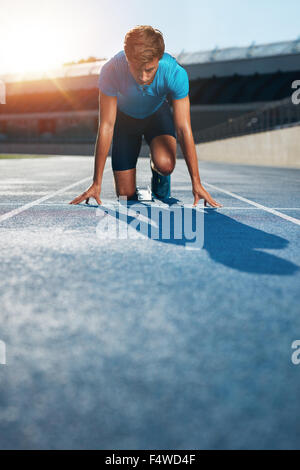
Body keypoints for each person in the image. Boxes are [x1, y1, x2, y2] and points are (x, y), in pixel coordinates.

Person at [70, 25, 222, 207]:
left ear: (159, 59)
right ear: (127, 60)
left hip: (156, 115)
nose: (143, 77)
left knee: (165, 164)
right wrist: (97, 182)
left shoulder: (175, 73)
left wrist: (196, 183)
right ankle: (136, 177)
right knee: (125, 195)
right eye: (137, 69)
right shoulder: (111, 70)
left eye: (149, 70)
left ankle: (159, 173)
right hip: (125, 121)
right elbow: (106, 126)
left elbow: (183, 128)